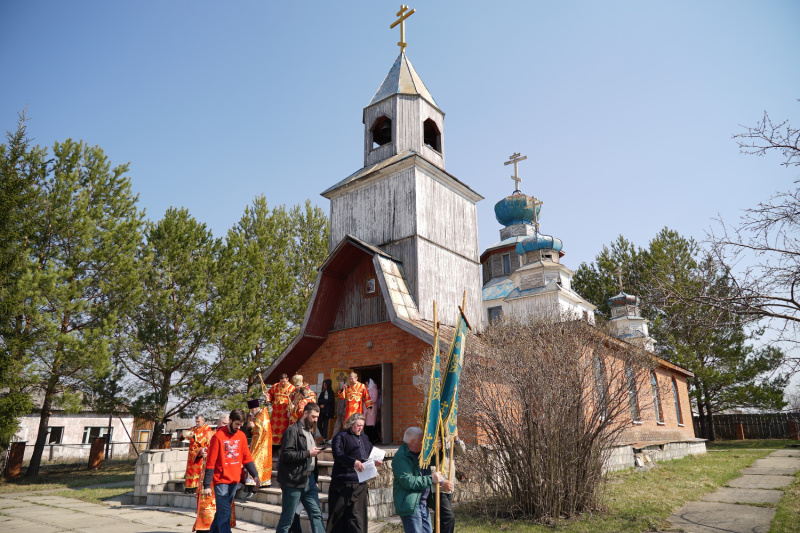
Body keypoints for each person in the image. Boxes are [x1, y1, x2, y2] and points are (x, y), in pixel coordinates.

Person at [202, 409, 260, 533]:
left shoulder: (241, 436)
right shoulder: (218, 436)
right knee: (226, 514)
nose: (238, 427)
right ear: (230, 420)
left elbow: (247, 458)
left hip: (234, 481)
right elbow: (210, 462)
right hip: (221, 481)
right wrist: (207, 485)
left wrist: (255, 475)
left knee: (221, 514)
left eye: (241, 425)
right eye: (237, 424)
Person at [326, 413, 382, 533]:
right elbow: (338, 455)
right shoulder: (341, 436)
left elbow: (370, 452)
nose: (360, 428)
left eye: (362, 425)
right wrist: (353, 462)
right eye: (358, 425)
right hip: (343, 482)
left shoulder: (364, 437)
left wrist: (376, 461)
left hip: (360, 483)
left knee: (357, 518)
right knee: (338, 517)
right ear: (351, 424)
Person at [275, 402, 325, 533]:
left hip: (310, 481)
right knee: (287, 519)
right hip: (293, 481)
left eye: (317, 418)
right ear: (305, 413)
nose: (315, 420)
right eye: (313, 417)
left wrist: (316, 477)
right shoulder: (292, 430)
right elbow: (286, 455)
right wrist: (308, 453)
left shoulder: (309, 432)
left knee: (316, 514)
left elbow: (313, 458)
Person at [392, 427, 448, 533]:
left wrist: (439, 449)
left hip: (422, 503)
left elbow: (435, 460)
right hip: (411, 505)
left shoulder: (420, 453)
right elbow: (408, 481)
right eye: (422, 441)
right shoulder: (401, 457)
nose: (424, 443)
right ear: (412, 442)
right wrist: (431, 478)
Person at [427, 431, 466, 533]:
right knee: (448, 517)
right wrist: (442, 481)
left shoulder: (449, 439)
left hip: (448, 486)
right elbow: (427, 466)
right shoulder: (431, 439)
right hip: (437, 488)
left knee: (442, 519)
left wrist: (456, 439)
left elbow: (461, 451)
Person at [243, 398, 272, 498]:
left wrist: (254, 426)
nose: (251, 412)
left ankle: (252, 488)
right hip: (257, 442)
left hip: (262, 444)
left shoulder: (263, 414)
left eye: (251, 410)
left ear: (255, 408)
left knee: (254, 462)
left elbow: (262, 430)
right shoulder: (257, 414)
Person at [184, 415, 213, 493]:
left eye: (198, 421)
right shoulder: (193, 428)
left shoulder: (207, 429)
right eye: (196, 421)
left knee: (198, 471)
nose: (197, 423)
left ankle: (196, 488)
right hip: (192, 455)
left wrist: (194, 435)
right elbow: (183, 436)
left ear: (203, 421)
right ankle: (189, 488)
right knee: (190, 471)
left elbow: (205, 438)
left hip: (200, 454)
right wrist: (186, 435)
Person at [266, 373, 295, 445]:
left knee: (284, 429)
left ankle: (283, 443)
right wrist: (267, 398)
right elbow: (269, 394)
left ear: (287, 379)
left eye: (284, 381)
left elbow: (294, 399)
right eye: (281, 381)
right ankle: (273, 444)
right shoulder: (275, 386)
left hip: (285, 413)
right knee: (273, 428)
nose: (282, 383)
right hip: (275, 413)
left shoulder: (292, 388)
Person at [317, 379, 334, 444]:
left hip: (327, 412)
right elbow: (319, 400)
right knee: (319, 425)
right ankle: (324, 437)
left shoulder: (331, 393)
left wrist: (324, 403)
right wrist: (322, 403)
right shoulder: (323, 392)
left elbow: (330, 401)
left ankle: (325, 439)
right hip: (321, 412)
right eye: (323, 384)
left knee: (325, 426)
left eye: (325, 384)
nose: (324, 386)